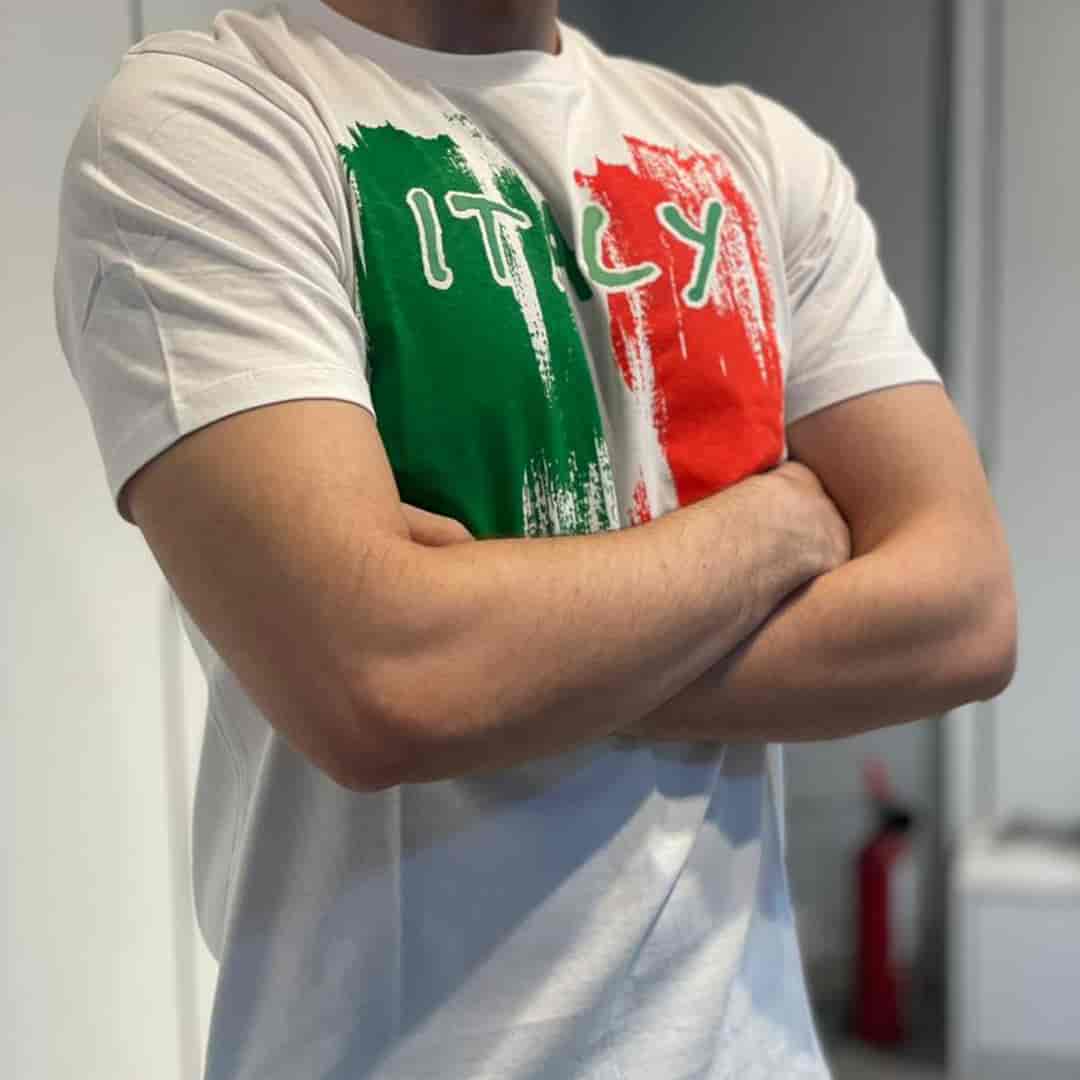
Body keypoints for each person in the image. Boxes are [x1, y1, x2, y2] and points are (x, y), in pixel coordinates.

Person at [52, 1, 1017, 1077]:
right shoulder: (212, 124)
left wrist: (501, 647)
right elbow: (380, 680)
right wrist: (776, 525)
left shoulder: (757, 155)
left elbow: (967, 612)